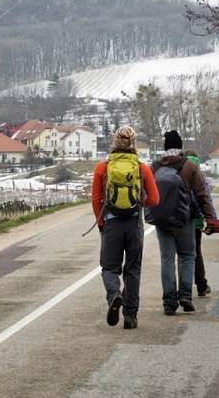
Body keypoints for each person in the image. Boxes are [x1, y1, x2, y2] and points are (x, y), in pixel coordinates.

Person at [91, 126, 159, 329]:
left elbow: (95, 199)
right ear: (134, 144)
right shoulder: (141, 168)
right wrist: (138, 202)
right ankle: (130, 316)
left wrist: (101, 222)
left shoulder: (103, 168)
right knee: (133, 269)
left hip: (111, 222)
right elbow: (155, 199)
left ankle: (114, 295)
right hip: (133, 223)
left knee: (109, 268)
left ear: (114, 142)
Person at [148, 130, 215, 315]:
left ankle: (169, 302)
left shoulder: (154, 167)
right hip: (184, 220)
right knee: (187, 256)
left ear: (164, 147)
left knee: (167, 259)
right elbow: (202, 195)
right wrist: (210, 218)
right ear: (181, 147)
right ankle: (185, 295)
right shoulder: (189, 167)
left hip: (162, 221)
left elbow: (146, 193)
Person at [183, 149, 217, 297]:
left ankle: (183, 289)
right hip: (196, 220)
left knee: (182, 255)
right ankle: (201, 285)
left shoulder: (180, 170)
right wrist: (212, 220)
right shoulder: (200, 175)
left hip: (181, 218)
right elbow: (206, 198)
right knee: (195, 252)